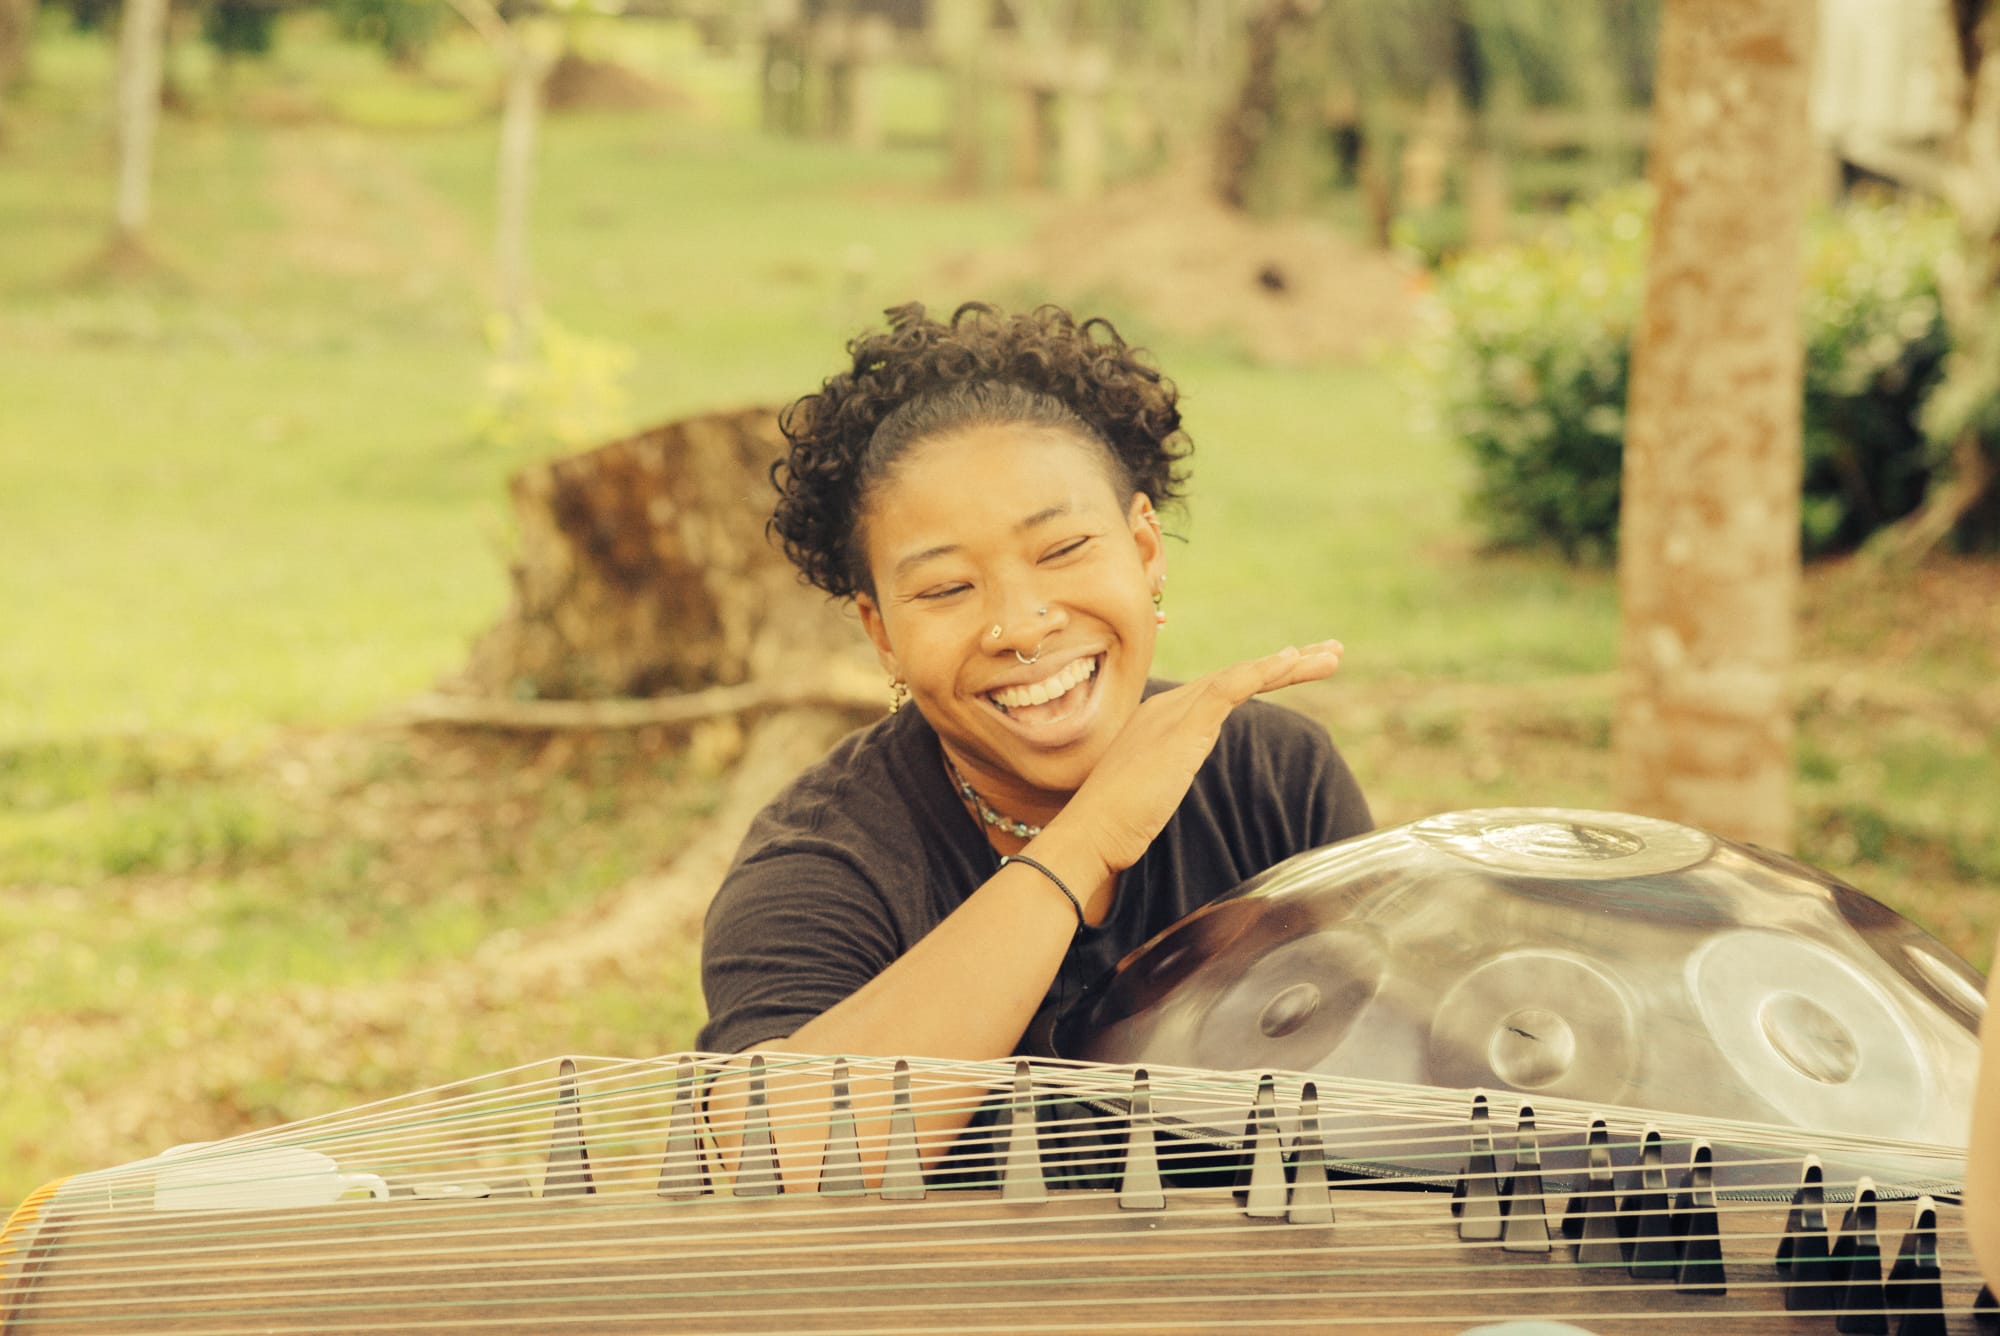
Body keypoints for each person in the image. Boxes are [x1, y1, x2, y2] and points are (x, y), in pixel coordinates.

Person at [695, 302, 1372, 1182]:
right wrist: (1083, 842)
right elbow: (778, 1159)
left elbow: (1396, 1079)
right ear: (881, 632)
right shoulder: (825, 863)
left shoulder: (1273, 778)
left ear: (1145, 549)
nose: (1019, 626)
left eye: (1063, 549)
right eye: (946, 589)